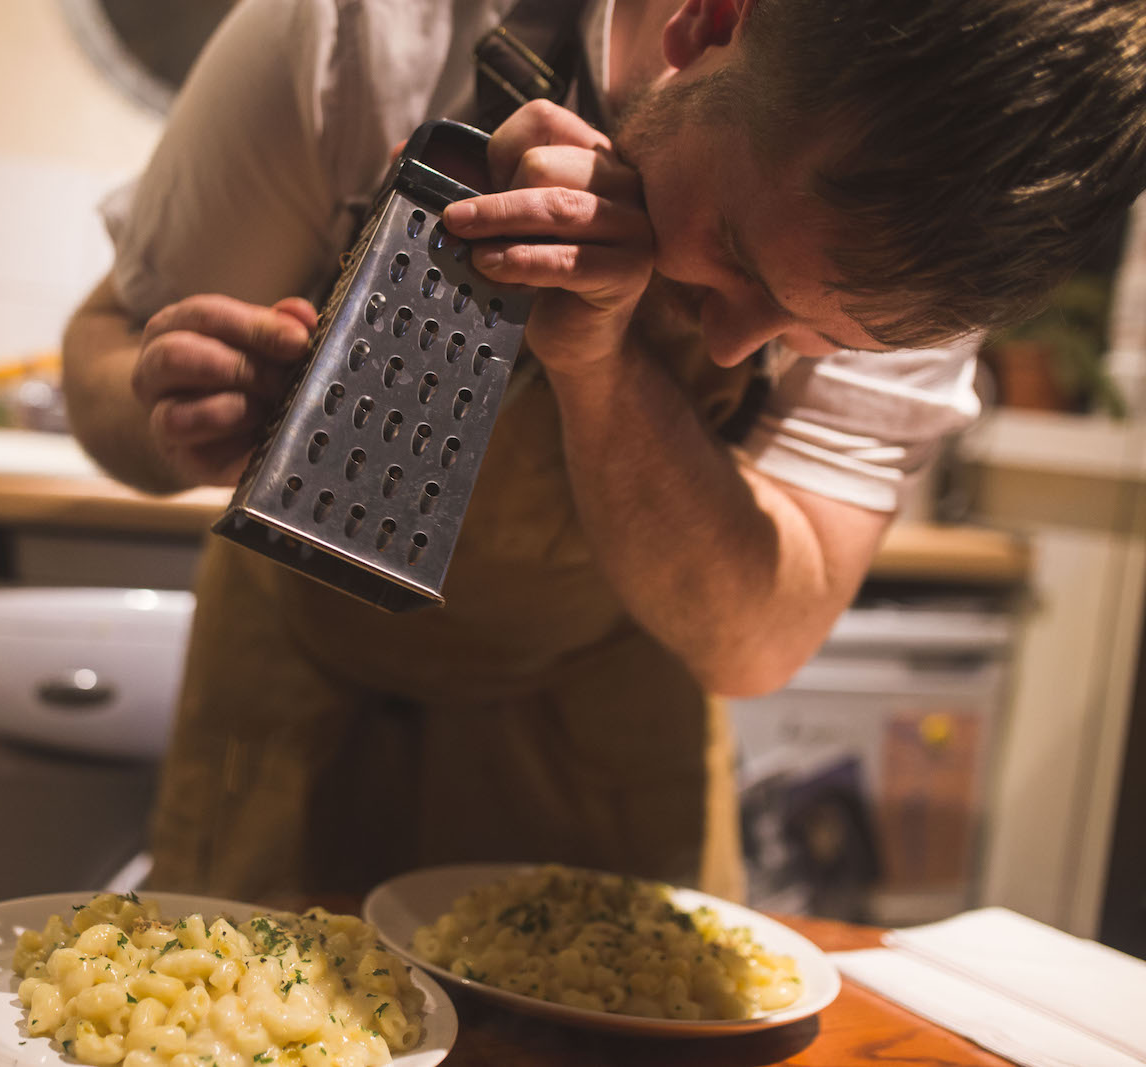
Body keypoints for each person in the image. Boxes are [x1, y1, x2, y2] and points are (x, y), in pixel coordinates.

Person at [62, 0, 1146, 901]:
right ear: (708, 21)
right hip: (293, 707)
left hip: (608, 755)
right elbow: (101, 352)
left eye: (809, 334)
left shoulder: (925, 254)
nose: (730, 342)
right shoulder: (369, 39)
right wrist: (165, 414)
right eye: (734, 252)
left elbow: (757, 639)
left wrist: (600, 365)